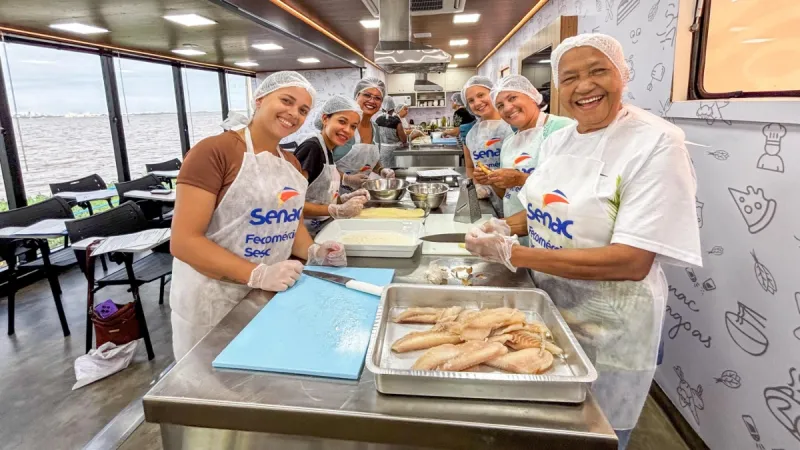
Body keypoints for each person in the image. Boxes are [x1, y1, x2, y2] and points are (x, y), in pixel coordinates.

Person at [465, 34, 702, 450]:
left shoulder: (656, 142)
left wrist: (513, 253)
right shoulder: (561, 139)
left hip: (612, 322)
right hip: (549, 305)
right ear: (557, 87)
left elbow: (632, 261)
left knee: (595, 432)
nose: (584, 86)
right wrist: (505, 228)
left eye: (598, 71)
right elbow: (547, 211)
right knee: (546, 426)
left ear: (621, 74)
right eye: (570, 76)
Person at [169, 71, 347, 360]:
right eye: (286, 101)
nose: (294, 114)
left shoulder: (288, 162)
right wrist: (257, 273)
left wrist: (313, 250)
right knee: (212, 392)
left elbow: (289, 222)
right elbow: (184, 242)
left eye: (303, 110)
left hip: (267, 295)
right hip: (213, 301)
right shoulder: (214, 152)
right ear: (260, 99)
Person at [488, 75, 573, 231]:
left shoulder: (563, 130)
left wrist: (521, 179)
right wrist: (493, 180)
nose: (507, 108)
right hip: (517, 232)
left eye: (512, 98)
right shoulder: (509, 142)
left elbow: (572, 193)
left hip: (553, 233)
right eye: (500, 105)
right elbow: (507, 195)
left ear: (532, 96)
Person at [294, 95, 372, 233]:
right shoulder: (312, 148)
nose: (348, 130)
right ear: (325, 119)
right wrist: (337, 209)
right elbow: (291, 203)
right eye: (342, 121)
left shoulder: (327, 149)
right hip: (304, 231)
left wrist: (344, 200)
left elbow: (318, 196)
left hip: (321, 226)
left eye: (353, 126)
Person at [460, 76, 514, 200]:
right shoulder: (470, 133)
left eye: (481, 95)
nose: (477, 103)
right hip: (486, 200)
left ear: (493, 93)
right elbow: (470, 166)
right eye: (471, 100)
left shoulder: (512, 126)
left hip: (514, 197)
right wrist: (477, 186)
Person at [333, 77, 395, 185]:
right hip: (333, 194)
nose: (372, 101)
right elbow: (320, 164)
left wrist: (381, 170)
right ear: (357, 96)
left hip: (360, 195)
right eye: (367, 95)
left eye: (377, 98)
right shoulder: (342, 126)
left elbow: (370, 161)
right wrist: (347, 179)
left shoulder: (375, 129)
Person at [375, 97, 407, 169]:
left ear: (382, 107)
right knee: (396, 173)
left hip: (382, 152)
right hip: (395, 152)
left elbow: (376, 138)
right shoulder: (396, 120)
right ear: (393, 108)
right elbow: (404, 139)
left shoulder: (377, 120)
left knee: (385, 173)